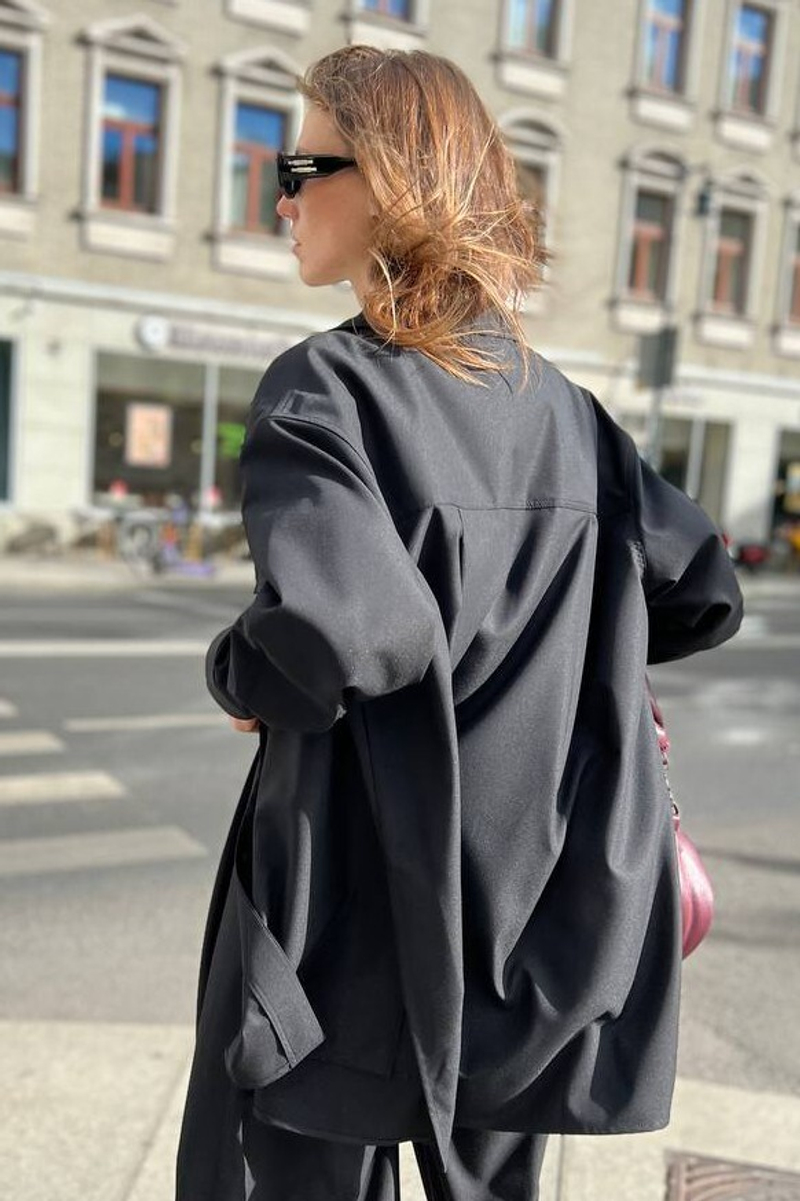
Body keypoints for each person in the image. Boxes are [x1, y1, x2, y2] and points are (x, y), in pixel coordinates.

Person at [176, 46, 743, 1201]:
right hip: (527, 906)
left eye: (300, 169)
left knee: (288, 1174)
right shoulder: (564, 413)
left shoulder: (324, 390)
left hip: (345, 906)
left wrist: (241, 670)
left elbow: (345, 630)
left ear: (388, 181)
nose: (280, 199)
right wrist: (567, 640)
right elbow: (699, 589)